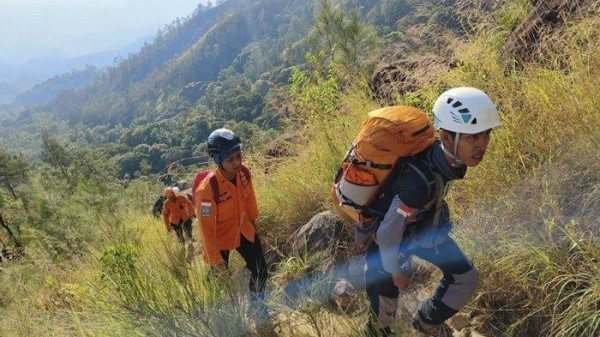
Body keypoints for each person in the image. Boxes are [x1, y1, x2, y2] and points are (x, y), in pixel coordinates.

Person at [356, 87, 502, 336]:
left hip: (420, 231)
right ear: (445, 137)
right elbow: (388, 233)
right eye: (472, 137)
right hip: (385, 250)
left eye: (485, 135)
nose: (482, 145)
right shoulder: (418, 182)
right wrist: (396, 271)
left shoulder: (443, 159)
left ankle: (426, 322)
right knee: (382, 323)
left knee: (465, 277)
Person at [194, 128, 269, 315]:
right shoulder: (208, 190)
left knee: (260, 271)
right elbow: (206, 230)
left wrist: (253, 225)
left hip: (243, 229)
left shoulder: (244, 173)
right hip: (218, 239)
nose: (237, 162)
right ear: (217, 159)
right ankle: (218, 319)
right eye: (230, 159)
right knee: (217, 284)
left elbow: (250, 200)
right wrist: (215, 261)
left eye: (238, 156)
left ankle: (258, 310)